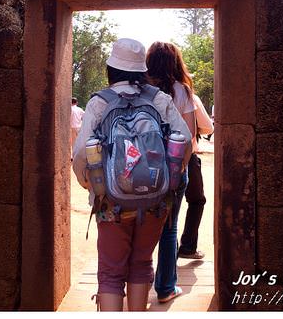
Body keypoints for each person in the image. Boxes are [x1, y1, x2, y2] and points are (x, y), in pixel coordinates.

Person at [72, 38, 192, 312]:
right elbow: (183, 140)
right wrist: (169, 175)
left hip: (111, 204)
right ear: (141, 70)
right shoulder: (159, 99)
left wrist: (91, 184)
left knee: (112, 273)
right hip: (155, 202)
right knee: (141, 265)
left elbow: (80, 154)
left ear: (111, 69)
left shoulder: (100, 103)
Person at [145, 41, 197, 303]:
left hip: (142, 169)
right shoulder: (182, 91)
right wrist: (181, 169)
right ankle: (165, 287)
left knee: (139, 224)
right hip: (175, 168)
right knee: (169, 228)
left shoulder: (141, 89)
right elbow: (189, 136)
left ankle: (134, 284)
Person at [179, 93, 213, 260]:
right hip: (186, 156)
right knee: (196, 200)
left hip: (155, 158)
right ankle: (188, 246)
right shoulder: (188, 96)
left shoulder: (151, 93)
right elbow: (208, 127)